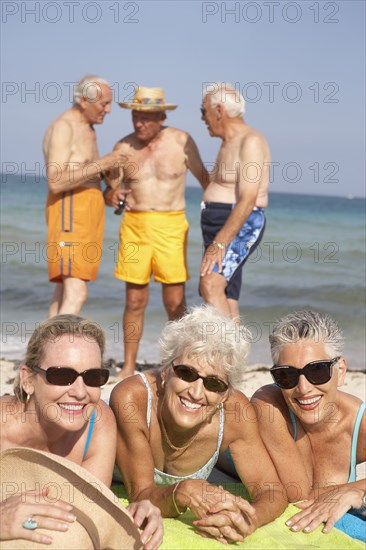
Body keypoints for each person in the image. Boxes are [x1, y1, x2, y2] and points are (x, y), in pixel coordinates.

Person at [110, 305, 287, 544]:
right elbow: (141, 495)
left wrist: (249, 519)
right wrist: (181, 491)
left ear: (226, 394)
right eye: (186, 373)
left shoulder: (235, 412)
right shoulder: (133, 399)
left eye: (214, 384)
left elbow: (272, 491)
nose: (195, 392)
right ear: (165, 370)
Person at [0, 314, 163, 548]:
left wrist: (132, 516)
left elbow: (87, 515)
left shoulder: (98, 425)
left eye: (92, 377)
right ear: (28, 380)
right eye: (62, 375)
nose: (79, 392)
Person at [106, 86, 208, 379]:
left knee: (175, 302)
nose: (139, 123)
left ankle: (177, 362)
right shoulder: (122, 147)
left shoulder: (181, 141)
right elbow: (110, 190)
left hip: (171, 226)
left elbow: (206, 181)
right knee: (135, 301)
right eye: (136, 116)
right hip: (135, 227)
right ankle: (128, 366)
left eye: (147, 118)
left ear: (162, 116)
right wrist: (110, 195)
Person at [251, 310, 366, 542]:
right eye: (286, 375)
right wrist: (351, 488)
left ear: (340, 371)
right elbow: (298, 496)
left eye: (317, 371)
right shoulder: (268, 404)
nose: (303, 388)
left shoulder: (358, 421)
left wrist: (357, 491)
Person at [43, 74, 128, 318]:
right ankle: (59, 353)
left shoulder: (88, 129)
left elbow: (89, 175)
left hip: (85, 218)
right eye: (104, 104)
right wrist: (104, 163)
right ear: (83, 101)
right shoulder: (64, 127)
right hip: (68, 215)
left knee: (63, 292)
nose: (109, 110)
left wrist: (112, 182)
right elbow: (56, 181)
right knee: (77, 292)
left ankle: (39, 355)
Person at [199, 82, 270, 319]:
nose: (202, 118)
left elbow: (248, 199)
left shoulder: (250, 141)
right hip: (220, 224)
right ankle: (235, 356)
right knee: (227, 293)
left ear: (218, 110)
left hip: (240, 224)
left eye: (203, 111)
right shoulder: (227, 143)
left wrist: (219, 244)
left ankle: (223, 354)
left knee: (210, 284)